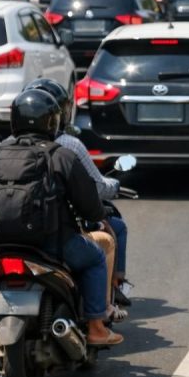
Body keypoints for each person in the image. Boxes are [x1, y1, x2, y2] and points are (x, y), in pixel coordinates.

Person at [0, 89, 123, 346]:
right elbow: (90, 208)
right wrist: (98, 217)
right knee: (96, 257)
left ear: (14, 121)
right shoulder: (62, 155)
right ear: (53, 122)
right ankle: (96, 327)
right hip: (53, 248)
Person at [25, 77, 132, 311]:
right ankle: (99, 318)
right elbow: (93, 191)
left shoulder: (3, 148)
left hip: (8, 237)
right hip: (55, 236)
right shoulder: (69, 148)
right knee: (101, 249)